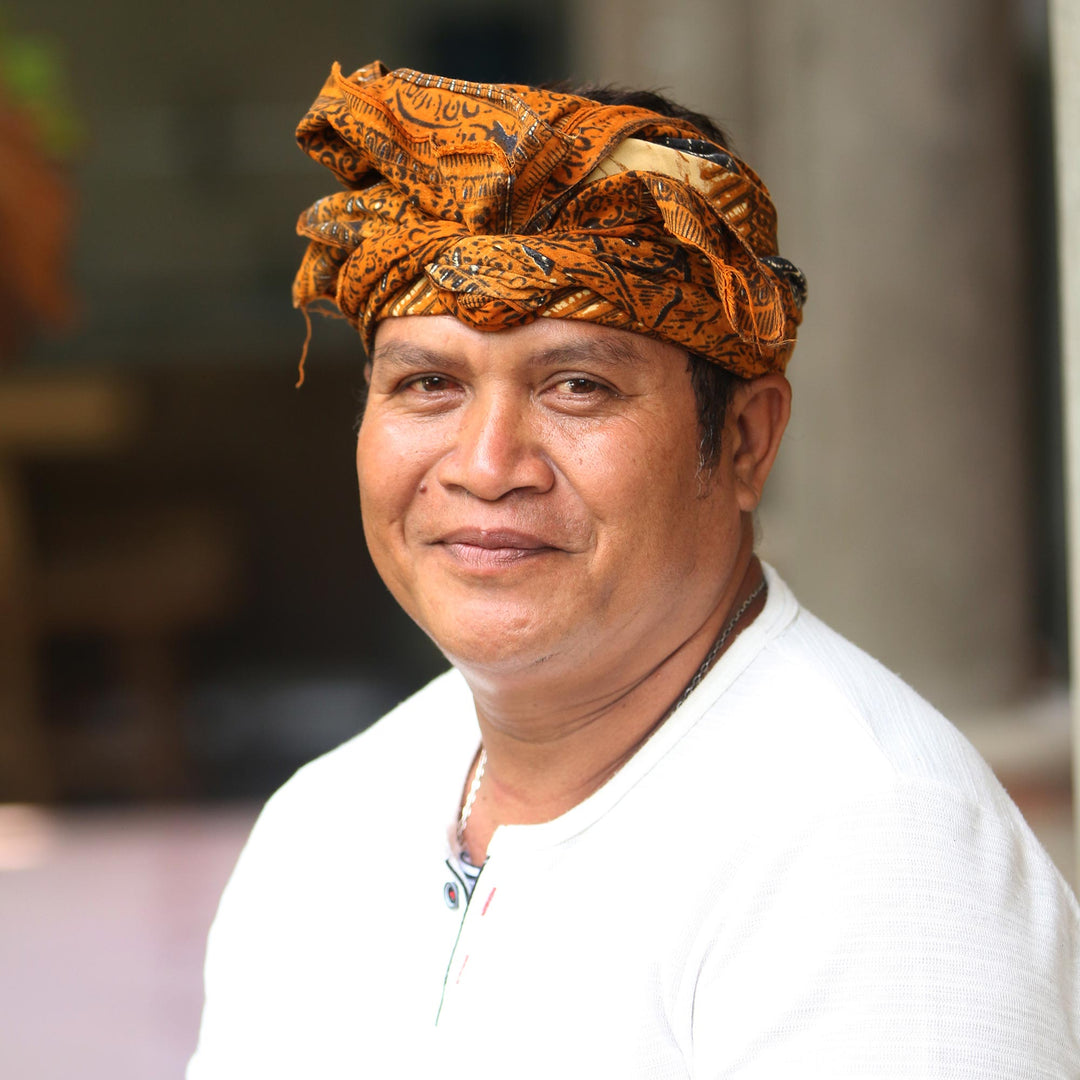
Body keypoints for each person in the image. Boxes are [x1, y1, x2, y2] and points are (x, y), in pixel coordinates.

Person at [187, 62, 1079, 1079]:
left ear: (744, 441)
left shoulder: (874, 849)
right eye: (429, 384)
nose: (485, 466)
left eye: (576, 386)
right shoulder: (330, 819)